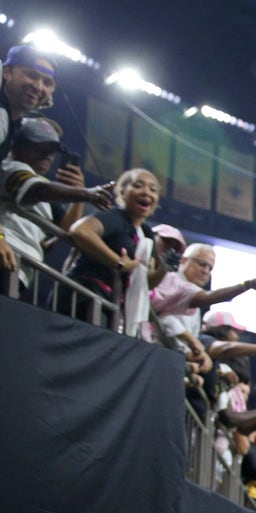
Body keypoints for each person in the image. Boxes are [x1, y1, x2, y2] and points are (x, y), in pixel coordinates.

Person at [0, 116, 113, 297]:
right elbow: (38, 190)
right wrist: (86, 193)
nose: (47, 156)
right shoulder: (10, 167)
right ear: (17, 145)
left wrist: (78, 194)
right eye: (39, 148)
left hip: (20, 267)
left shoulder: (45, 189)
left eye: (51, 151)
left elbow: (67, 229)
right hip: (6, 253)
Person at [62, 167, 162, 327]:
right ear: (122, 192)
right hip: (85, 295)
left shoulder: (147, 234)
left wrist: (164, 268)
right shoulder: (114, 216)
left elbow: (146, 283)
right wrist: (118, 262)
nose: (146, 192)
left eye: (153, 189)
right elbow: (80, 230)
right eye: (138, 186)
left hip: (112, 305)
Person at [0, 45, 56, 160]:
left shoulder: (14, 124)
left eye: (47, 82)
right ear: (6, 72)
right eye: (32, 75)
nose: (38, 87)